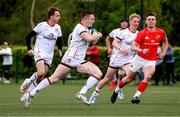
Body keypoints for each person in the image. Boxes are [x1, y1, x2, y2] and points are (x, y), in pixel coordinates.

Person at [20, 10, 103, 108]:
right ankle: (30, 94)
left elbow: (88, 40)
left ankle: (81, 93)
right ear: (85, 19)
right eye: (92, 19)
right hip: (70, 59)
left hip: (79, 60)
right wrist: (99, 35)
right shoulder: (80, 27)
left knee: (98, 74)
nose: (93, 21)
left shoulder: (86, 29)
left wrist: (94, 38)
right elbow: (89, 39)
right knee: (54, 78)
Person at [110, 11, 169, 104]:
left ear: (156, 21)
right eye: (149, 19)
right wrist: (142, 50)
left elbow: (165, 42)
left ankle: (136, 96)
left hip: (151, 60)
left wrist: (164, 52)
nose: (151, 21)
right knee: (128, 78)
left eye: (153, 19)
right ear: (146, 21)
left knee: (148, 76)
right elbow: (133, 46)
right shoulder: (142, 33)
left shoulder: (161, 32)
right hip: (139, 58)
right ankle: (117, 90)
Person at [89, 13, 141, 104]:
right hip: (117, 59)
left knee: (130, 76)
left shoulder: (139, 34)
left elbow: (139, 46)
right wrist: (121, 49)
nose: (136, 23)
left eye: (138, 22)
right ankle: (94, 94)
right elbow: (114, 43)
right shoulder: (123, 32)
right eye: (134, 21)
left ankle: (117, 90)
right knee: (106, 78)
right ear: (130, 22)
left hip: (128, 60)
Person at [20, 7, 63, 93]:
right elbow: (28, 37)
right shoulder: (42, 25)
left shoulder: (58, 28)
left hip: (49, 55)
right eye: (57, 15)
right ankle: (28, 81)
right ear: (51, 16)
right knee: (40, 72)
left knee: (41, 78)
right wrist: (29, 49)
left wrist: (59, 49)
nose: (59, 17)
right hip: (39, 52)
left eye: (59, 15)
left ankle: (27, 95)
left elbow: (59, 40)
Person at [106, 18, 129, 90]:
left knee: (122, 74)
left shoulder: (130, 32)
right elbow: (107, 39)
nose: (124, 23)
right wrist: (109, 48)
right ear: (120, 23)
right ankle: (114, 80)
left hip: (125, 55)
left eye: (126, 22)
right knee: (112, 69)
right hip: (115, 54)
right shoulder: (115, 31)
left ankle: (119, 87)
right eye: (123, 22)